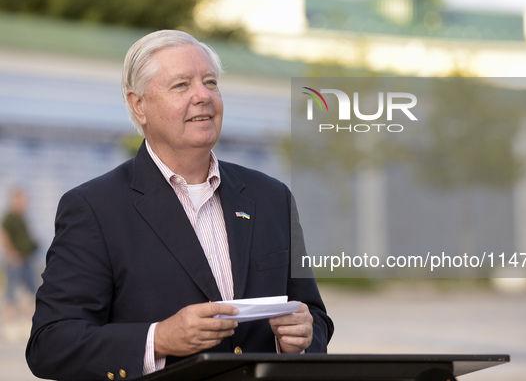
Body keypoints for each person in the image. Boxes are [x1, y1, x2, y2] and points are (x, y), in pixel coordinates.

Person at [26, 30, 333, 381]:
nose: (203, 96)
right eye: (181, 86)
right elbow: (50, 344)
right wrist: (159, 338)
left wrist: (303, 339)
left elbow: (314, 317)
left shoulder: (272, 197)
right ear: (138, 104)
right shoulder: (94, 208)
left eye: (211, 83)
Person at [1, 188, 38, 332]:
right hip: (16, 260)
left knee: (30, 291)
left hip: (27, 258)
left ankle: (26, 321)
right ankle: (10, 325)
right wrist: (11, 254)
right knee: (11, 292)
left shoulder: (22, 217)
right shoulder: (9, 217)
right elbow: (4, 237)